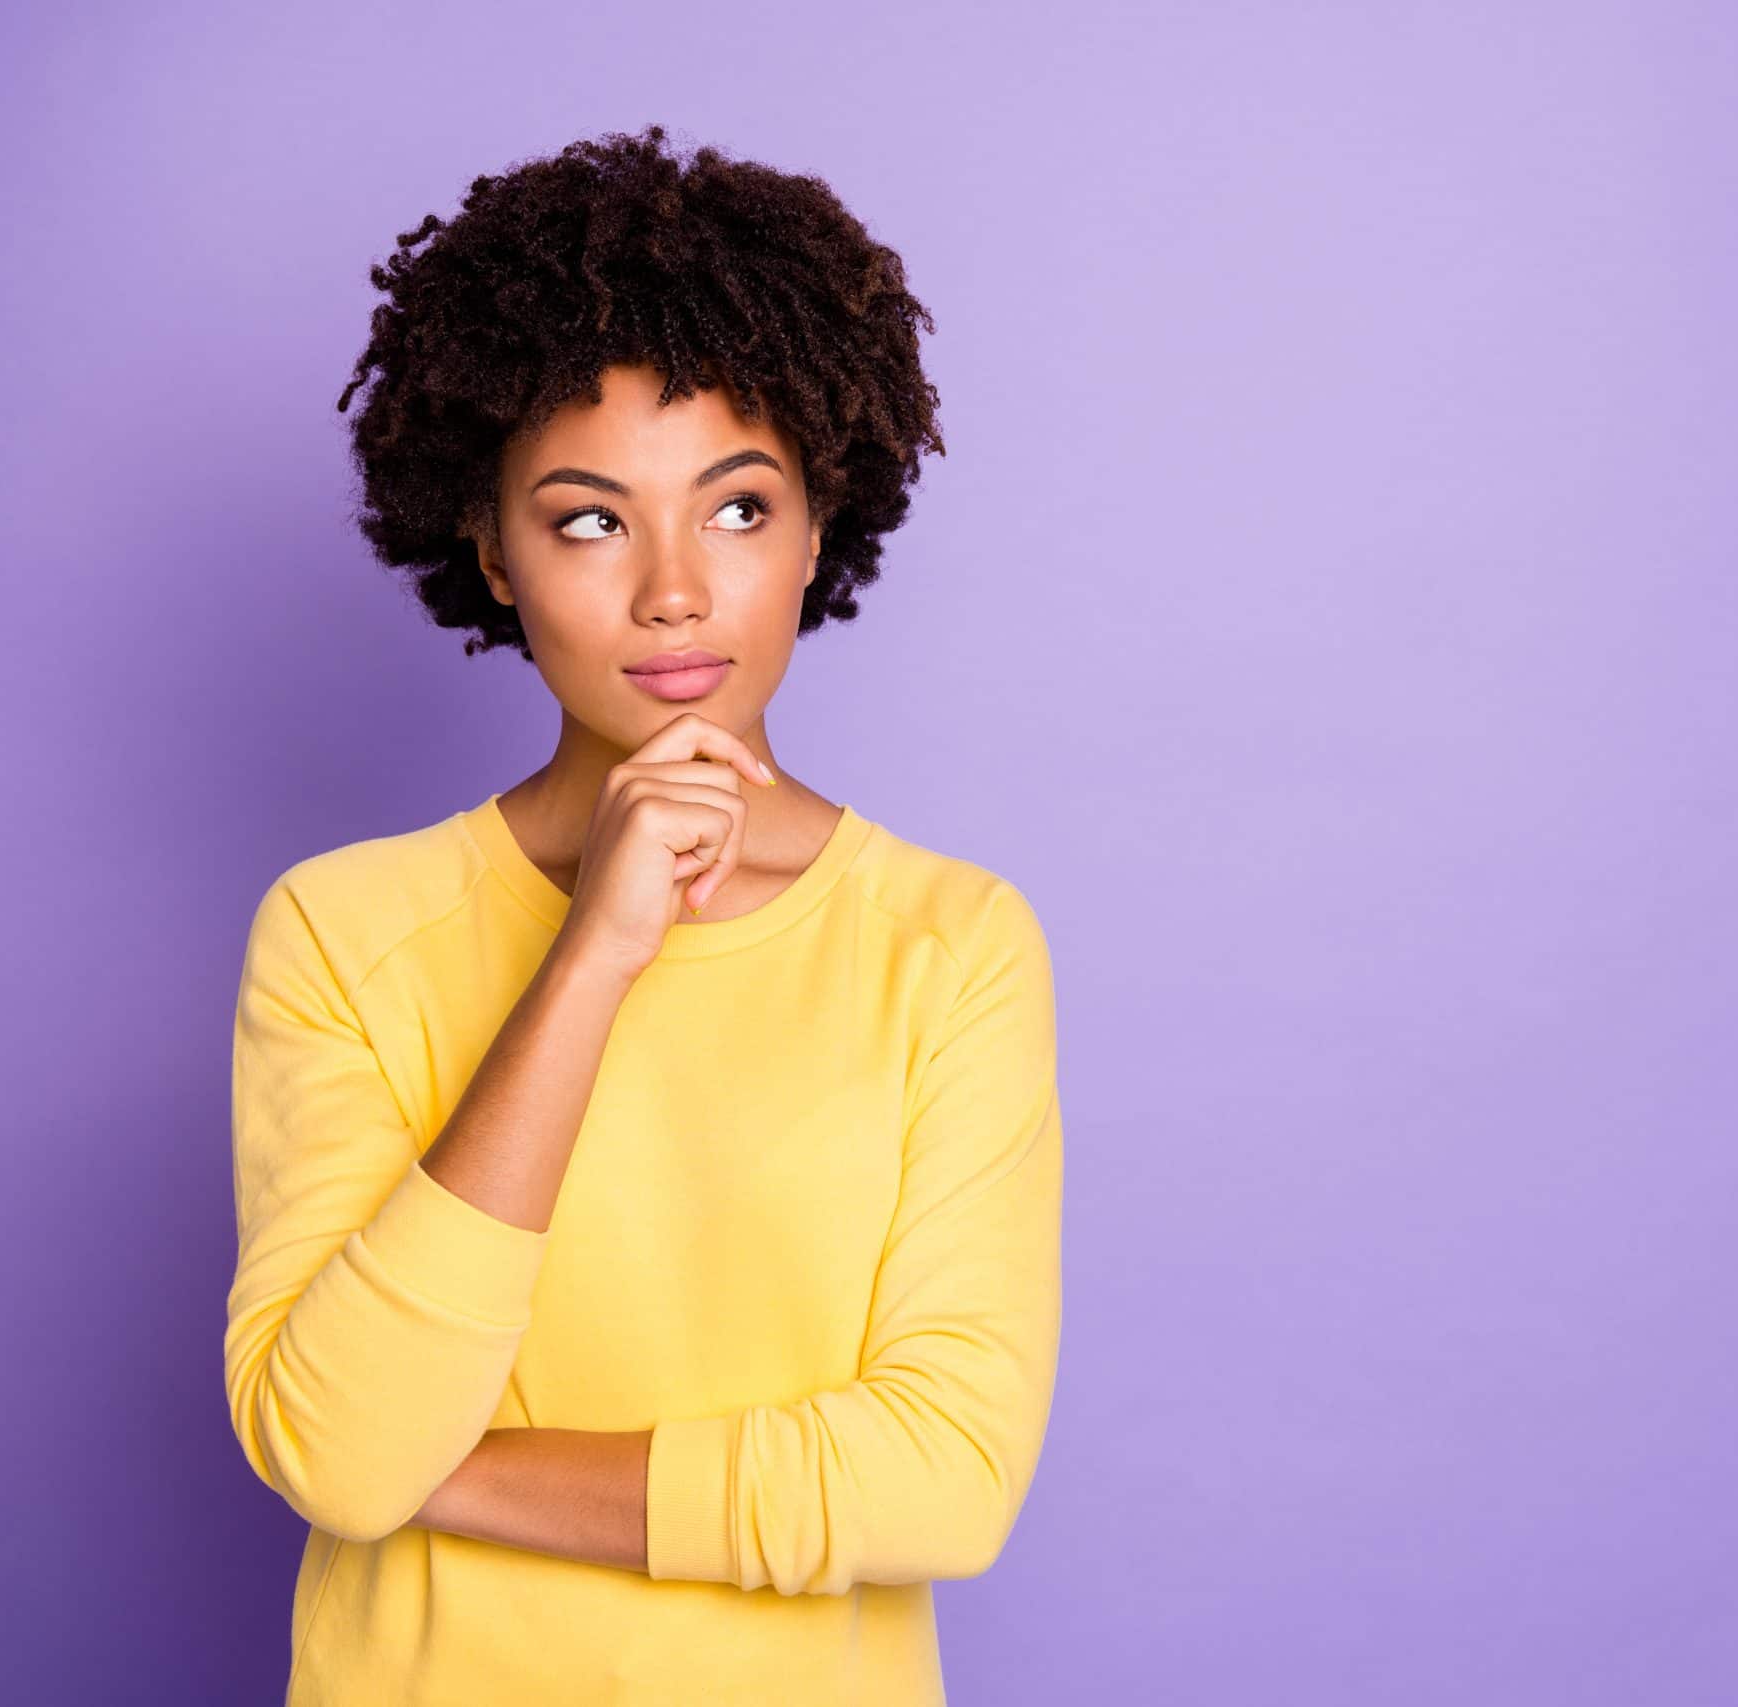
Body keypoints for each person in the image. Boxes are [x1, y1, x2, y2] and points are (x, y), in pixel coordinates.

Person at [221, 125, 1062, 1704]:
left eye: (738, 509)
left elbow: (946, 1476)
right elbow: (339, 1449)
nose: (674, 588)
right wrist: (595, 957)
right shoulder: (343, 930)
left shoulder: (950, 945)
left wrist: (442, 1478)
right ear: (492, 552)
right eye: (591, 519)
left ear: (821, 530)